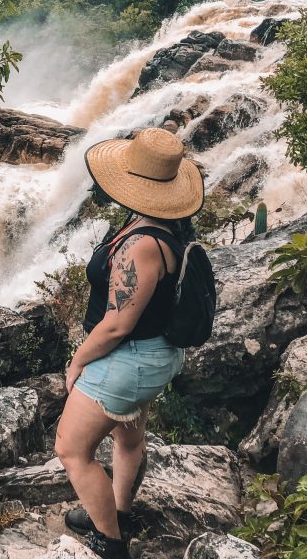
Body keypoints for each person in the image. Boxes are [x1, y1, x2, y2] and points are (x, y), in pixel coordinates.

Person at [54, 127, 204, 559]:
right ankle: (118, 511)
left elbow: (118, 325)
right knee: (128, 438)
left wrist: (77, 362)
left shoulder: (141, 246)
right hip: (153, 355)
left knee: (71, 449)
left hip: (129, 359)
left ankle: (110, 542)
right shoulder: (163, 227)